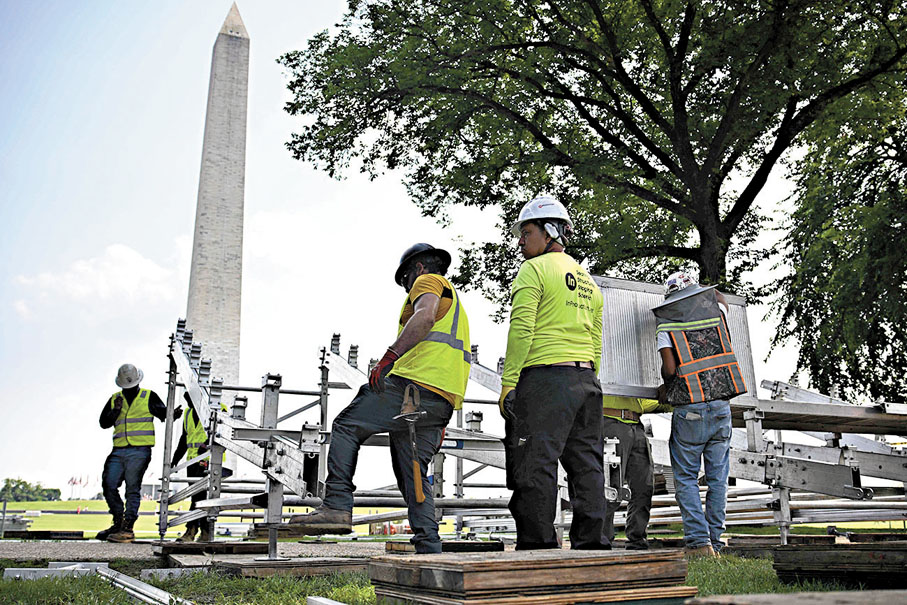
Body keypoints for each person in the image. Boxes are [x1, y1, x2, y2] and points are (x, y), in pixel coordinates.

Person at [289, 244, 471, 554]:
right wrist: (440, 417)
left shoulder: (427, 282)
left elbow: (424, 318)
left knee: (347, 425)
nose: (407, 289)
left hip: (414, 387)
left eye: (405, 281)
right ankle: (429, 546)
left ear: (417, 270)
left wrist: (389, 357)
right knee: (413, 471)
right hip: (440, 400)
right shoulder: (456, 306)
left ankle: (336, 504)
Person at [499, 195, 608, 550]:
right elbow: (595, 339)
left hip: (544, 380)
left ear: (549, 231)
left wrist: (508, 383)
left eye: (525, 232)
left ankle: (538, 550)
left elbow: (522, 330)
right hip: (586, 382)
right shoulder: (588, 281)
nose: (520, 241)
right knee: (587, 467)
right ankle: (593, 547)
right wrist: (589, 380)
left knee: (534, 464)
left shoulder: (533, 270)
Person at [654, 271, 744, 557]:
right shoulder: (717, 313)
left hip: (690, 408)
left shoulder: (666, 324)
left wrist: (665, 386)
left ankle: (698, 543)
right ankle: (716, 543)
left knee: (686, 479)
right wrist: (701, 290)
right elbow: (720, 297)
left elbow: (670, 369)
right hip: (721, 407)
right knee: (718, 479)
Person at [97, 363, 181, 543]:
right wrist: (116, 411)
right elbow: (104, 423)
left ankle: (127, 527)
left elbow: (163, 413)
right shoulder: (115, 399)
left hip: (140, 450)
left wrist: (173, 413)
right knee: (109, 484)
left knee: (132, 488)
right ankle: (118, 521)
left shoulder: (148, 396)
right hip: (119, 449)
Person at [601, 395, 671, 550]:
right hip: (610, 421)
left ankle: (637, 539)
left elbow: (642, 402)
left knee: (644, 487)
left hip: (636, 425)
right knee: (611, 487)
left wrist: (670, 399)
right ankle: (602, 540)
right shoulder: (608, 372)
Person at [169, 392, 231, 542]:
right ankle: (205, 532)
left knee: (200, 498)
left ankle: (192, 531)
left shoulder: (218, 409)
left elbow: (225, 435)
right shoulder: (188, 413)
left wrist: (207, 446)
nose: (188, 403)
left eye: (190, 400)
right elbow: (185, 438)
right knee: (198, 498)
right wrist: (176, 458)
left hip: (209, 461)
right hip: (191, 461)